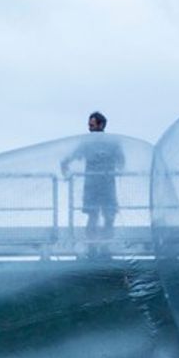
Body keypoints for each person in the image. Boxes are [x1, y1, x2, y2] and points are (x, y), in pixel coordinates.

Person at [60, 111, 125, 259]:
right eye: (89, 126)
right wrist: (65, 169)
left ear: (101, 125)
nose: (90, 129)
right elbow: (68, 159)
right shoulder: (87, 144)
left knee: (109, 216)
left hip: (108, 186)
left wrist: (117, 171)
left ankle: (105, 246)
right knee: (93, 216)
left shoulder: (112, 143)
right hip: (92, 186)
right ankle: (92, 247)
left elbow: (122, 162)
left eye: (92, 125)